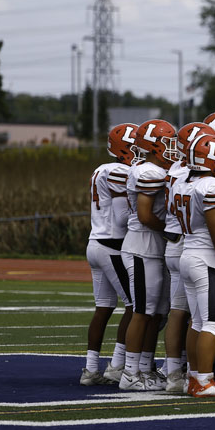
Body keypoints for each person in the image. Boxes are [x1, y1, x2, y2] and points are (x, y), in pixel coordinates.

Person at [119, 119, 178, 392]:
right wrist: (171, 231)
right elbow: (145, 216)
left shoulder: (154, 169)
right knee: (142, 312)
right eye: (168, 143)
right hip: (143, 247)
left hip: (153, 248)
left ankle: (145, 367)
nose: (173, 148)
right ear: (154, 146)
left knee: (156, 314)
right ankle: (130, 372)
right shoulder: (148, 171)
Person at [162, 121, 215, 393]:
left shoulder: (178, 173)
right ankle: (199, 376)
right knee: (208, 319)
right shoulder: (207, 182)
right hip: (199, 248)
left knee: (181, 313)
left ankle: (176, 373)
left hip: (178, 243)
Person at [82, 123, 137, 385]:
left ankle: (90, 369)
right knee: (135, 305)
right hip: (111, 244)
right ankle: (116, 366)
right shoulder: (119, 171)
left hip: (95, 242)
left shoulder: (102, 169)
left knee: (103, 307)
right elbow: (123, 215)